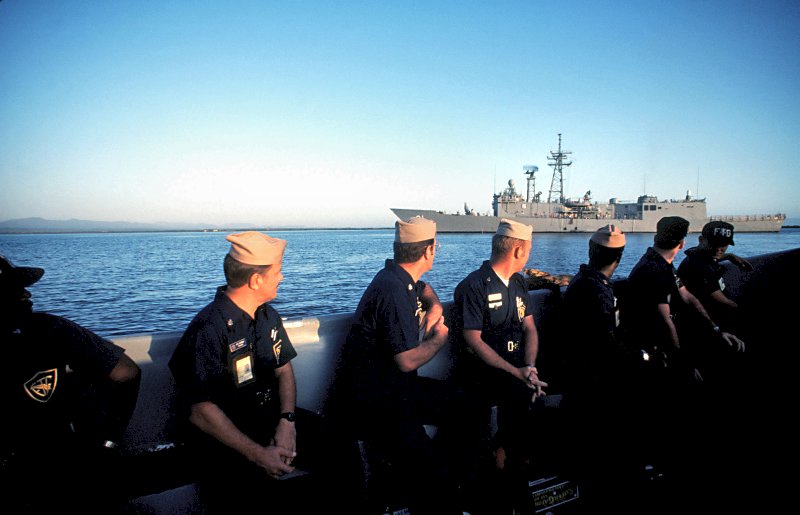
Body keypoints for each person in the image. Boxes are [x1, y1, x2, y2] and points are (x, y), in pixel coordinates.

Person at [326, 217, 469, 515]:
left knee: (468, 405)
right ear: (429, 251)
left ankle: (442, 479)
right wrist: (439, 339)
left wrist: (436, 305)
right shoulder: (392, 291)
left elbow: (424, 287)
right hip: (375, 403)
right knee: (430, 471)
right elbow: (405, 361)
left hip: (394, 390)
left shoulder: (397, 277)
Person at [168, 232, 299, 513]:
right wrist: (260, 455)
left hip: (268, 421)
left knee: (339, 445)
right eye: (278, 271)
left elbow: (284, 369)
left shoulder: (267, 316)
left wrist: (287, 421)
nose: (282, 278)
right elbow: (201, 411)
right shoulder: (209, 328)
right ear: (256, 280)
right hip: (224, 440)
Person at [620, 216, 745, 510]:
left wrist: (716, 331)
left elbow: (688, 298)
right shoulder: (655, 271)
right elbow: (665, 321)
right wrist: (683, 363)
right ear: (682, 243)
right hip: (653, 356)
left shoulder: (662, 265)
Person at [0, 253, 141, 513]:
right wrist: (108, 441)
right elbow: (126, 373)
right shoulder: (50, 329)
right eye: (15, 288)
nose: (26, 295)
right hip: (59, 470)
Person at [450, 218, 548, 513]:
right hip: (483, 378)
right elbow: (473, 341)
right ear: (519, 251)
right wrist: (516, 372)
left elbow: (529, 328)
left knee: (531, 416)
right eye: (529, 250)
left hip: (517, 374)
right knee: (501, 432)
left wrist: (529, 366)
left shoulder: (518, 283)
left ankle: (519, 490)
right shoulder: (474, 286)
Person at [560, 225, 643, 509]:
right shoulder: (596, 290)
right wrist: (643, 357)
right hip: (595, 384)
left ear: (591, 251)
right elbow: (605, 346)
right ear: (619, 257)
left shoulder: (584, 282)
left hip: (581, 377)